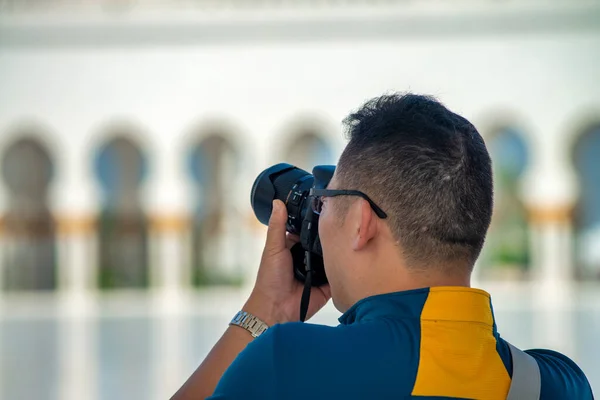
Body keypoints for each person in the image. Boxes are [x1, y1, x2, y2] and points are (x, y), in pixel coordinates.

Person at [172, 93, 594, 399]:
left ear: (361, 222)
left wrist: (265, 312)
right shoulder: (559, 382)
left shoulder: (289, 363)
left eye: (326, 200)